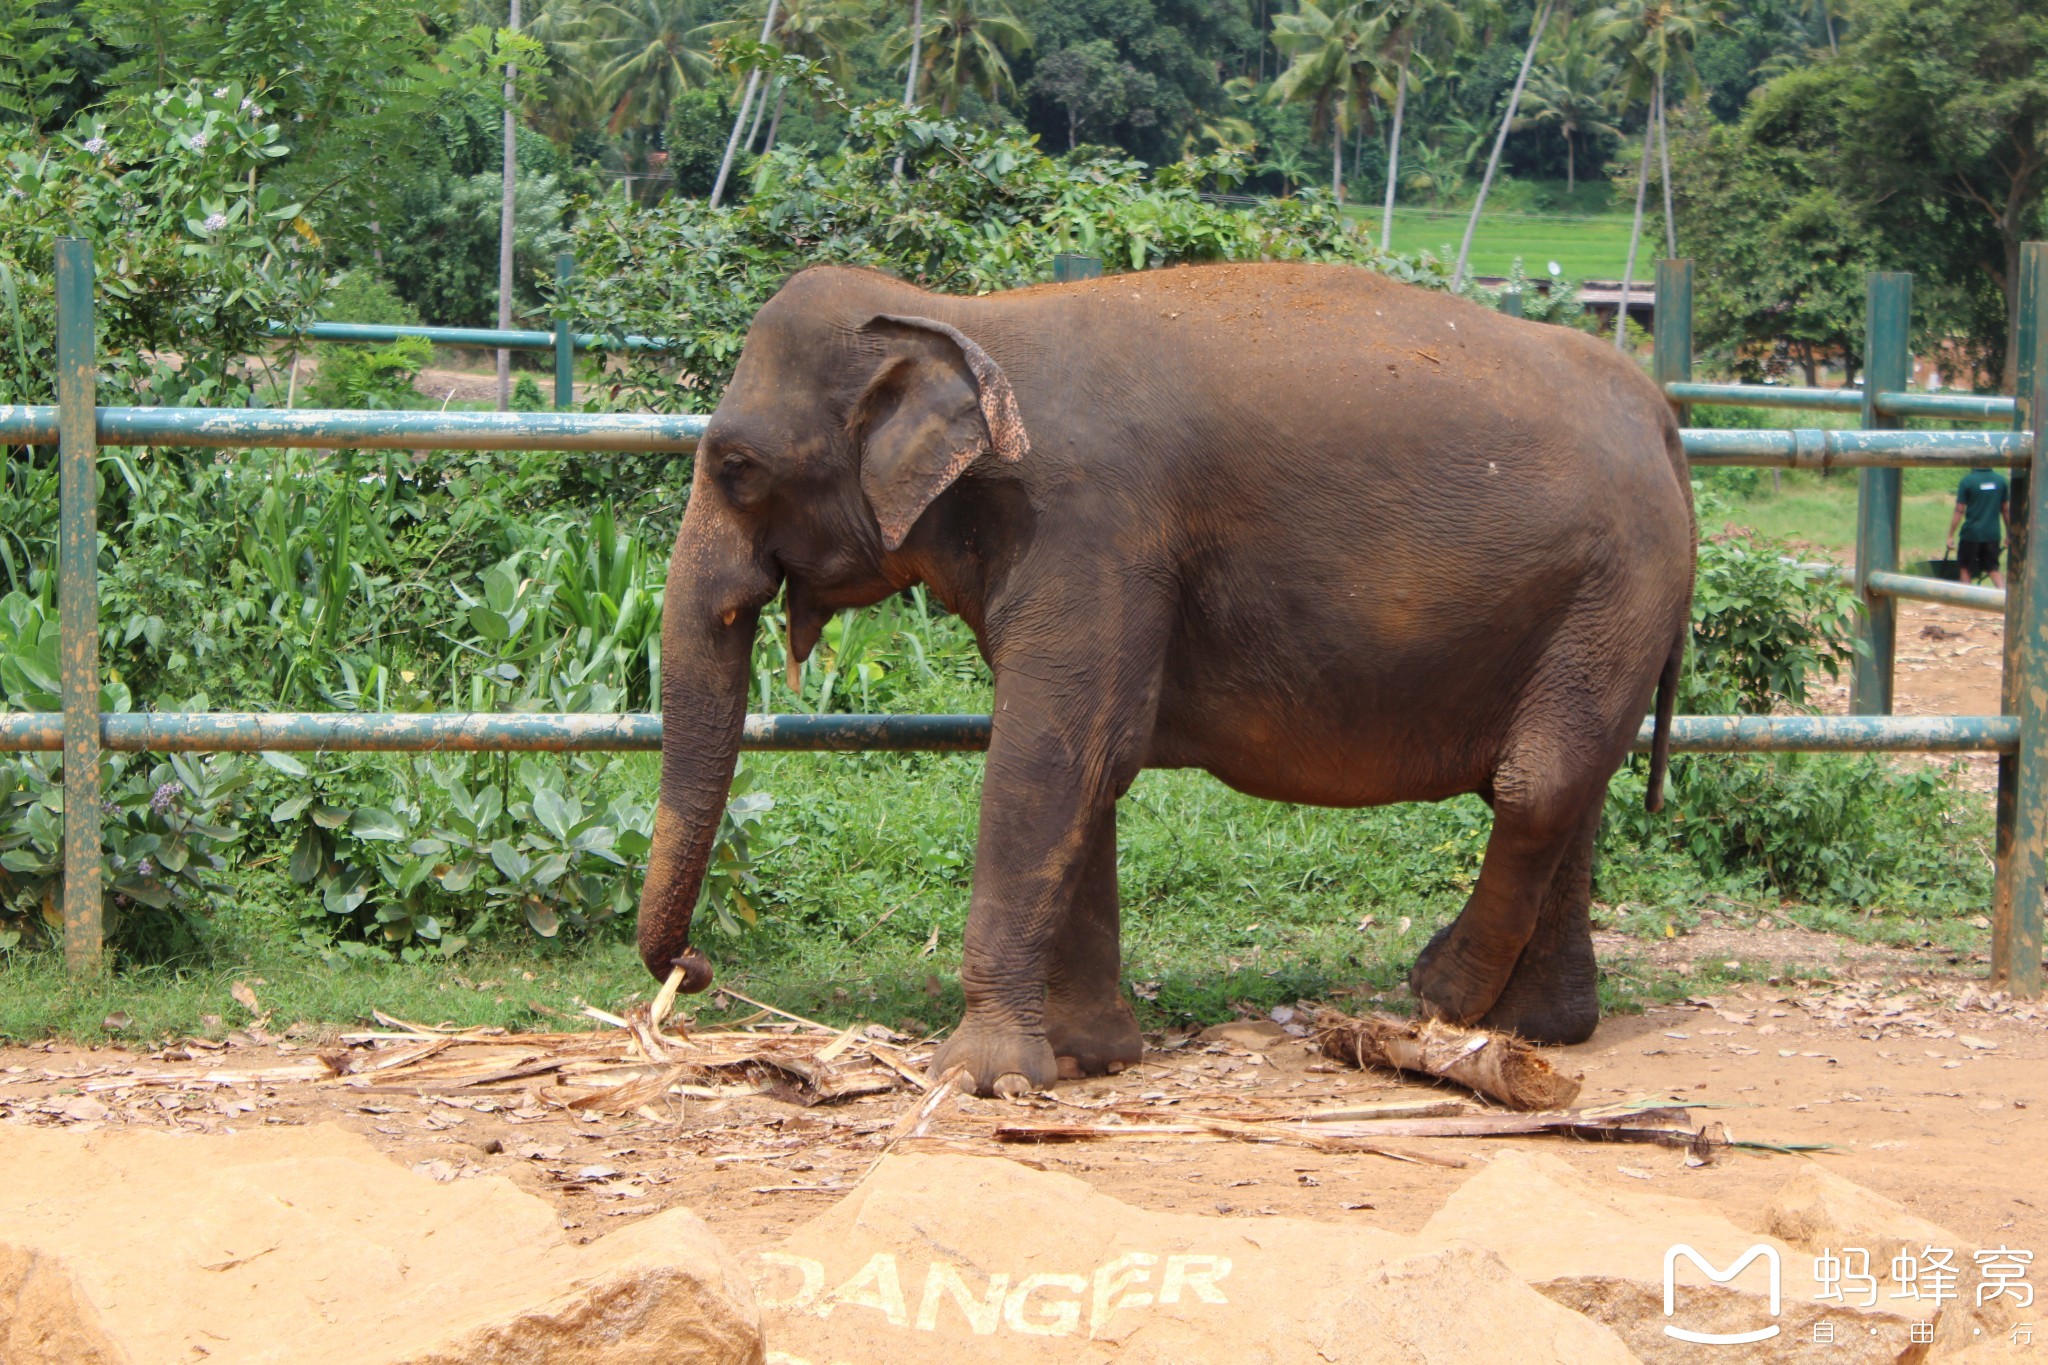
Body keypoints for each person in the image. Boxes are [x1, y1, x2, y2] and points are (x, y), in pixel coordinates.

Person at [1948, 466, 2011, 587]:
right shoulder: (2001, 481)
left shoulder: (1967, 481)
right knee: (1993, 569)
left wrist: (1950, 535)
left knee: (1966, 569)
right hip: (1992, 535)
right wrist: (2009, 533)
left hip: (1971, 534)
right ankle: (2003, 599)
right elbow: (2005, 510)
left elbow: (1959, 510)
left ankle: (1967, 602)